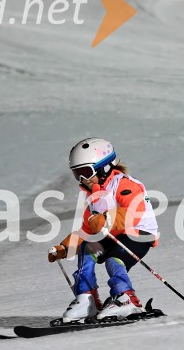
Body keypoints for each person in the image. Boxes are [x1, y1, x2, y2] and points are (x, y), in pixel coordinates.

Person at [47, 138, 159, 323]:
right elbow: (87, 230)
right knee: (87, 249)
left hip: (138, 234)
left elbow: (133, 212)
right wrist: (65, 248)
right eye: (77, 174)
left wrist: (106, 219)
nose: (82, 179)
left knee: (114, 259)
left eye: (85, 172)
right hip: (112, 235)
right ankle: (87, 299)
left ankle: (125, 298)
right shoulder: (92, 196)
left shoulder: (125, 184)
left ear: (104, 167)